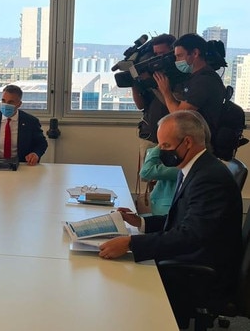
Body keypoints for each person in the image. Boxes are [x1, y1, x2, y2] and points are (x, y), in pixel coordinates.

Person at [99, 110, 241, 327]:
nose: (162, 152)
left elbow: (191, 236)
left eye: (165, 146)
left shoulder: (208, 178)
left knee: (122, 280)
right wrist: (140, 222)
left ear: (187, 142)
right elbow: (182, 219)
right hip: (193, 255)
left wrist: (131, 243)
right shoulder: (194, 168)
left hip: (201, 269)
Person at [154, 33, 226, 142]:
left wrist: (166, 91)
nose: (177, 61)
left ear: (195, 53)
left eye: (180, 56)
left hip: (200, 142)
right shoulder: (195, 77)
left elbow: (179, 115)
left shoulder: (204, 81)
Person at [0, 84, 48, 165]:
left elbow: (41, 143)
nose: (5, 104)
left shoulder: (30, 121)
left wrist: (35, 154)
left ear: (19, 104)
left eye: (10, 102)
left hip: (21, 165)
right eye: (3, 100)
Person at [133, 33, 175, 147]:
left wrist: (153, 83)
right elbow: (141, 105)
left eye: (162, 53)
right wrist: (134, 83)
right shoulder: (151, 72)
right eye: (155, 54)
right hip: (149, 136)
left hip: (171, 137)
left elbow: (174, 106)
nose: (158, 57)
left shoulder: (179, 76)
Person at [138, 145, 178, 216]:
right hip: (161, 210)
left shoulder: (181, 165)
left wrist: (160, 145)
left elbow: (146, 172)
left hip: (166, 215)